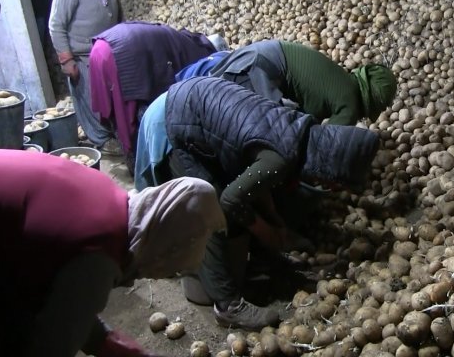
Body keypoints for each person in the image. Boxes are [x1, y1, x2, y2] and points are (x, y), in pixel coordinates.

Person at [137, 76, 380, 330]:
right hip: (177, 122)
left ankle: (269, 264)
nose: (331, 188)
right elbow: (230, 200)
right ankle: (227, 305)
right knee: (209, 208)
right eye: (335, 183)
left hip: (196, 105)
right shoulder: (282, 158)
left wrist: (272, 217)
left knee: (243, 201)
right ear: (332, 168)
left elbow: (255, 173)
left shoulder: (299, 130)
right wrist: (263, 230)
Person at [0, 149, 226, 357]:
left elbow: (65, 305)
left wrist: (106, 341)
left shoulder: (109, 195)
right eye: (172, 266)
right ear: (165, 248)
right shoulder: (98, 253)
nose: (159, 276)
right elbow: (52, 346)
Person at [88, 21, 221, 170]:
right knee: (130, 110)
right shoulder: (200, 53)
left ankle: (134, 158)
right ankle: (141, 163)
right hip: (122, 52)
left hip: (100, 47)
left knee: (120, 111)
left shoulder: (177, 37)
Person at [208, 39, 398, 125]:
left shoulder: (343, 79)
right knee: (267, 132)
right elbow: (326, 142)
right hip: (256, 70)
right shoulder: (350, 104)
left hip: (258, 55)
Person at [48, 0, 122, 154]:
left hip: (106, 49)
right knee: (89, 100)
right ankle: (101, 139)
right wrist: (66, 59)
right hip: (81, 56)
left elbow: (117, 9)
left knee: (110, 96)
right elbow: (56, 25)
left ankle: (115, 132)